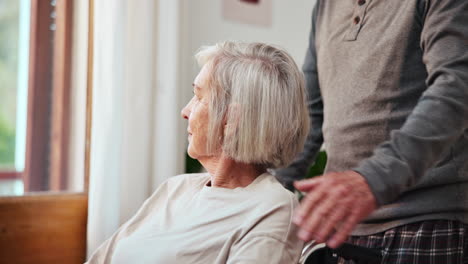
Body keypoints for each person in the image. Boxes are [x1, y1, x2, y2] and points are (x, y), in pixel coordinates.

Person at [276, 0, 468, 263]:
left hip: (422, 221)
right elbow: (310, 111)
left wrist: (372, 180)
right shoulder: (325, 6)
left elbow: (456, 89)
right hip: (341, 225)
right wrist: (270, 188)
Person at [86, 41, 309, 264]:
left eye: (199, 97)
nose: (185, 112)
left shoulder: (271, 208)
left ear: (231, 120)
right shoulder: (175, 189)